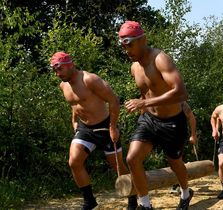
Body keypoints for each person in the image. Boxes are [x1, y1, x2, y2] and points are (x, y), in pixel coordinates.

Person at [118, 20, 194, 210]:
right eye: (124, 47)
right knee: (132, 158)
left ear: (143, 39)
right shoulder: (134, 67)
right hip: (149, 120)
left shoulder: (160, 59)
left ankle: (185, 192)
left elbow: (181, 93)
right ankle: (145, 204)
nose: (127, 51)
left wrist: (144, 103)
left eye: (131, 45)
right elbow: (148, 93)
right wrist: (142, 105)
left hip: (172, 122)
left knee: (175, 162)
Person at [49, 51, 137, 210]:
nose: (57, 74)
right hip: (85, 129)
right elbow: (75, 104)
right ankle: (90, 201)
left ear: (70, 65)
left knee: (118, 167)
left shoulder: (90, 80)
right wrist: (74, 120)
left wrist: (113, 126)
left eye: (60, 69)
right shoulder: (63, 85)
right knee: (74, 162)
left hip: (105, 127)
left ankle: (133, 198)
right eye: (55, 70)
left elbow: (114, 101)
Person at [170, 101, 198, 194]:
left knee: (178, 161)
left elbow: (191, 117)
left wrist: (193, 135)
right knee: (172, 161)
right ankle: (176, 184)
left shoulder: (181, 103)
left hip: (178, 135)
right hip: (166, 135)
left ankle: (180, 187)